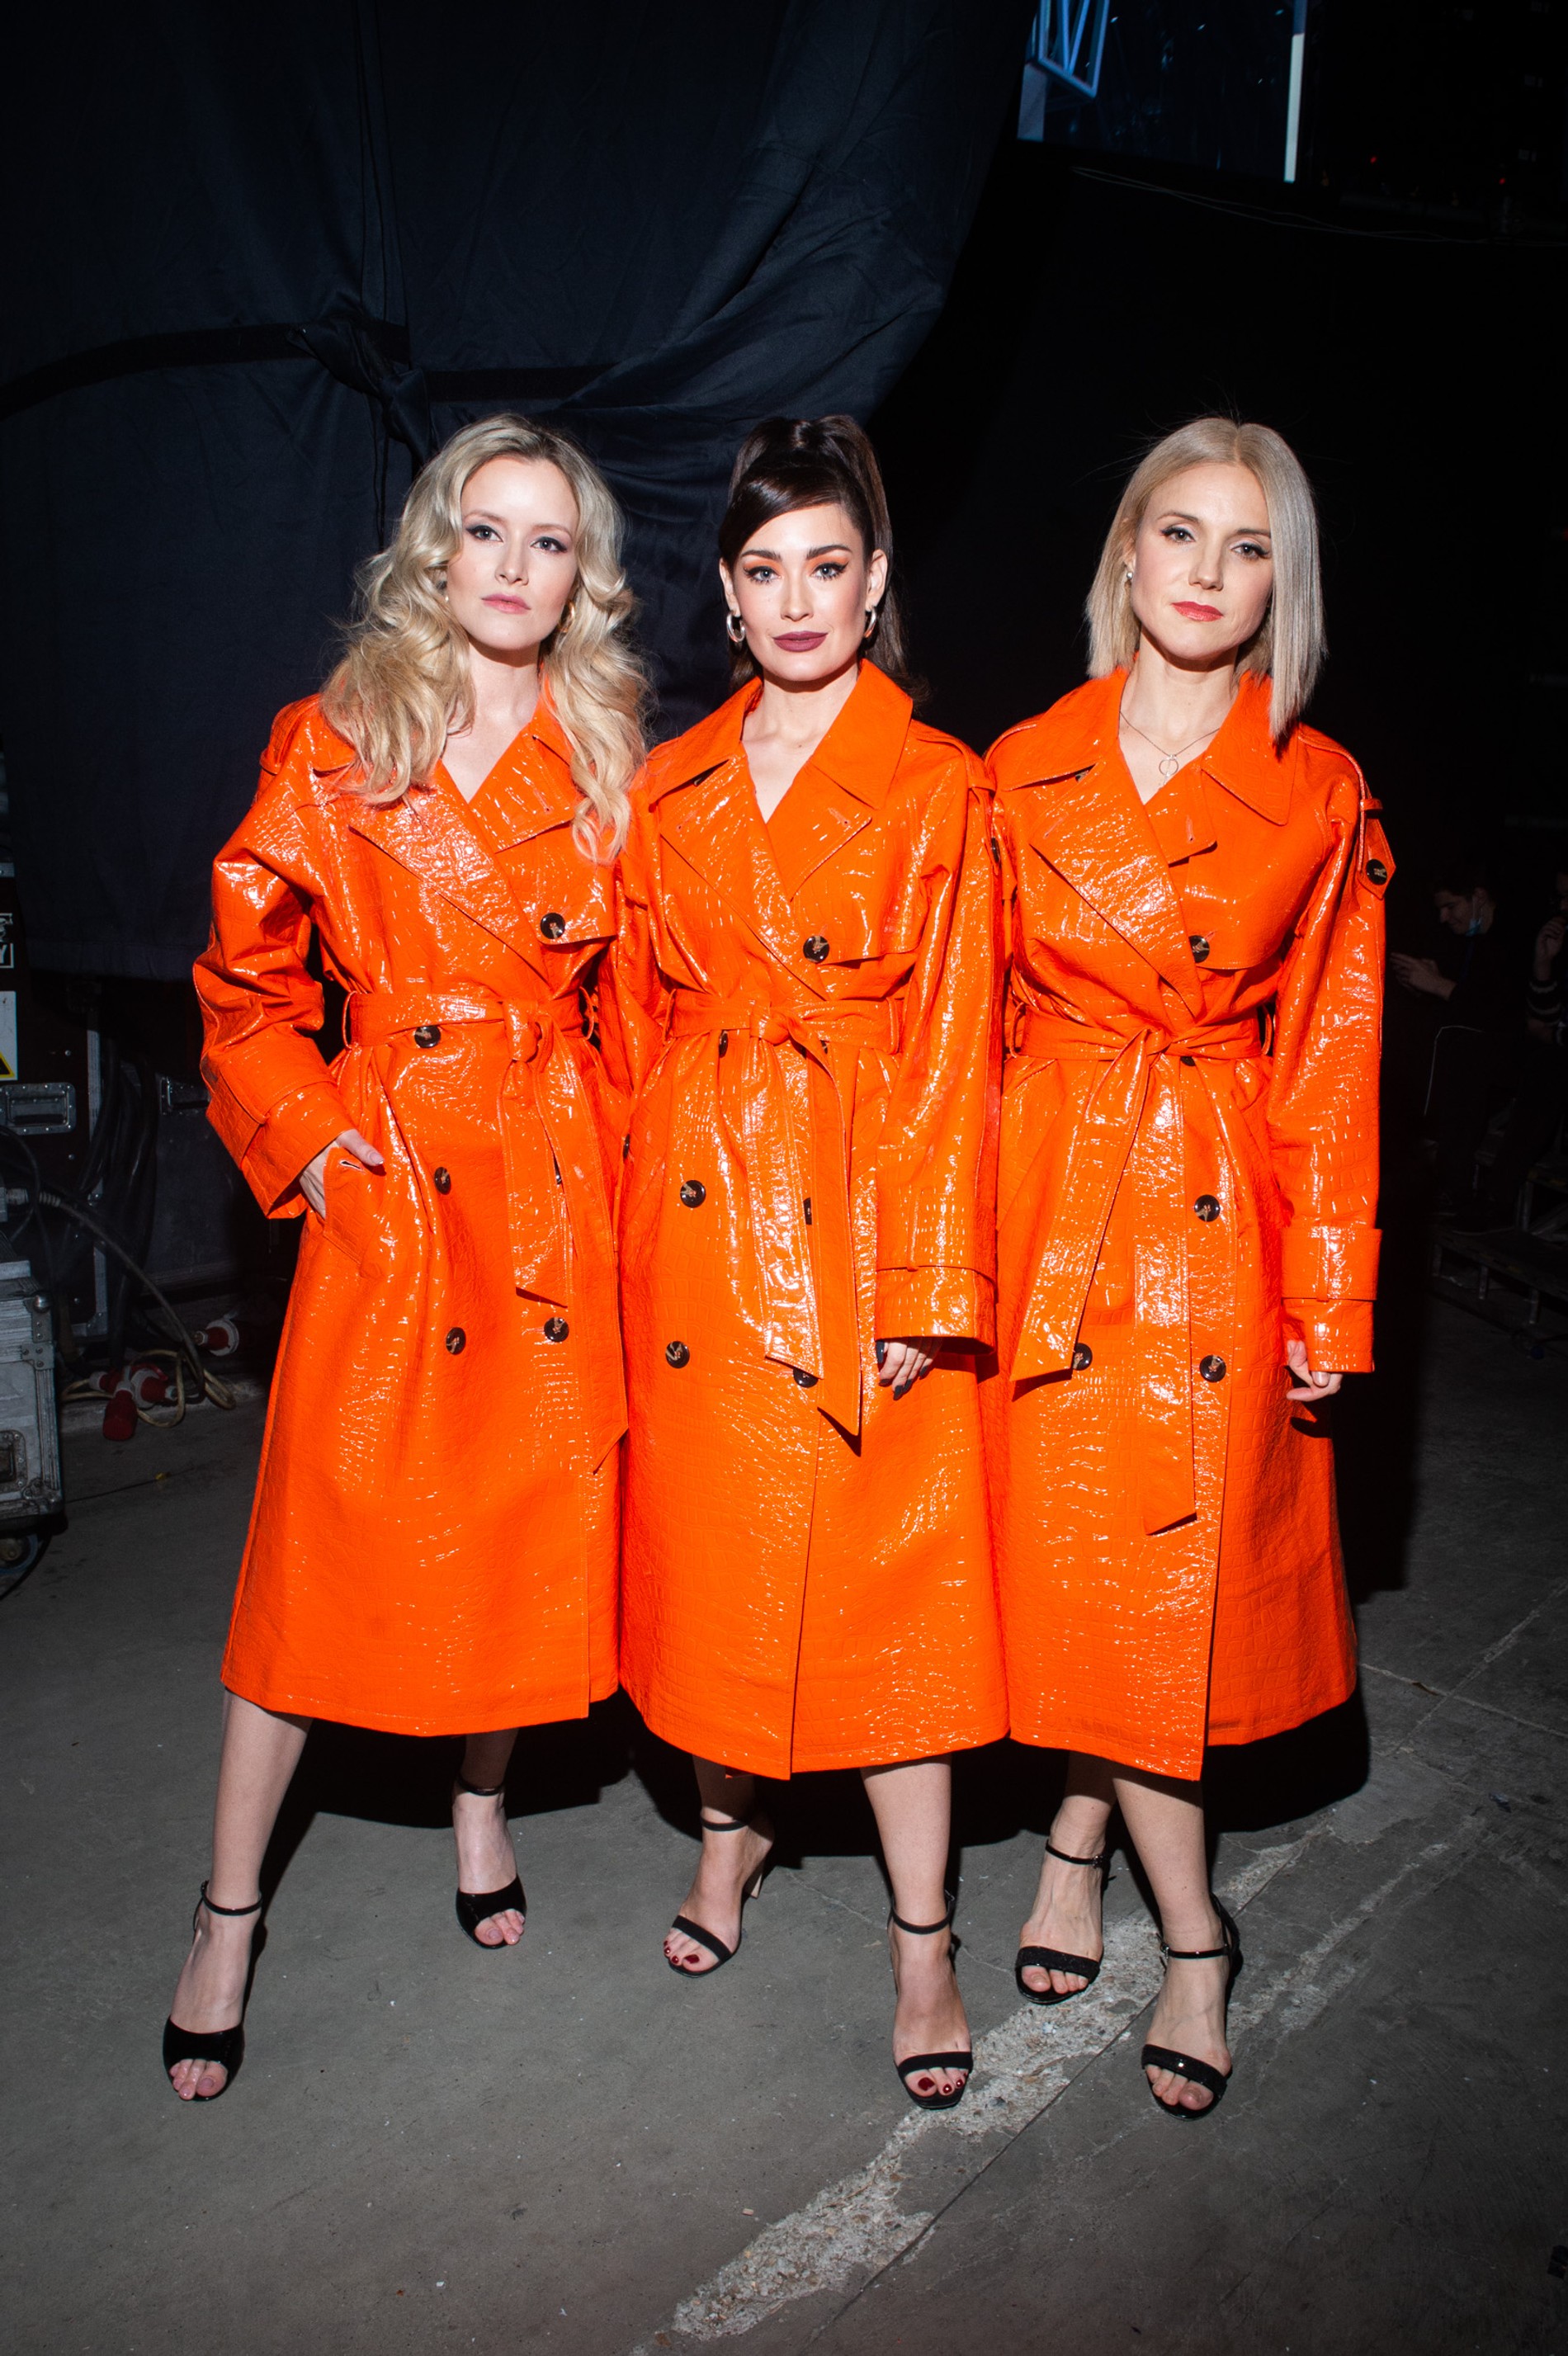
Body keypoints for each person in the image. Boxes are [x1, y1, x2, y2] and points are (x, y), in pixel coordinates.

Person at [163, 415, 645, 2099]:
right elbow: (244, 980)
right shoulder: (339, 734)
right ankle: (228, 1910)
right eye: (484, 530)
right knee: (319, 1546)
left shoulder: (609, 756)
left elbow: (639, 1003)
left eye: (548, 540)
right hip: (395, 1178)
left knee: (513, 1526)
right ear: (434, 550)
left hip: (550, 1180)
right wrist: (308, 1134)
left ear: (582, 577)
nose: (513, 565)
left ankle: (479, 1803)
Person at [600, 416, 1004, 2112]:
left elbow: (958, 1045)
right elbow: (630, 1024)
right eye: (762, 569)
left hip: (863, 1218)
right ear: (723, 588)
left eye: (825, 565)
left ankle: (924, 1940)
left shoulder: (937, 779)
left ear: (874, 577)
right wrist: (632, 1211)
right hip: (699, 1226)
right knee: (711, 1571)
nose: (794, 599)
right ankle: (726, 1840)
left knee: (893, 1597)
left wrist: (927, 1285)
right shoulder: (668, 779)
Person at [987, 418, 1390, 2118]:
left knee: (1166, 1583)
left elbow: (1332, 1061)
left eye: (1248, 545)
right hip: (1048, 1201)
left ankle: (1188, 1926)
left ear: (1281, 581)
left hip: (1218, 1209)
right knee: (1081, 1574)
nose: (1207, 572)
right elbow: (965, 1028)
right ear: (1125, 552)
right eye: (1179, 532)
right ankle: (1080, 1833)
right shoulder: (1019, 764)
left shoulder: (1318, 782)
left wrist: (1330, 1293)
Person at [1392, 853, 1566, 1224]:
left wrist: (1439, 986)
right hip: (1502, 1053)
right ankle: (1442, 1172)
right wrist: (1427, 984)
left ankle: (1445, 1160)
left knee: (1465, 1045)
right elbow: (1466, 1003)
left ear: (1479, 897)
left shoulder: (1517, 933)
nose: (1444, 917)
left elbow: (1509, 1016)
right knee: (1446, 1037)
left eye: (1451, 906)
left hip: (1532, 1054)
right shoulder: (1467, 940)